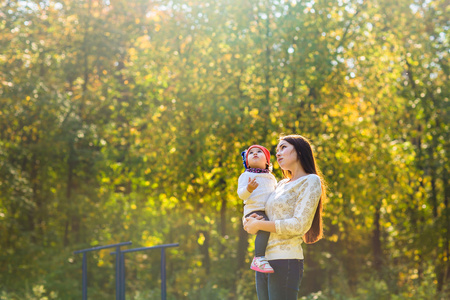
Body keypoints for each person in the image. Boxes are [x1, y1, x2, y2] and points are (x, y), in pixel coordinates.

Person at [243, 135, 326, 300]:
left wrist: (260, 226)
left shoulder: (310, 181)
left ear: (300, 151)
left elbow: (299, 225)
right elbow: (260, 210)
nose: (278, 153)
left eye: (283, 147)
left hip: (285, 261)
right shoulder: (280, 184)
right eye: (277, 150)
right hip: (262, 262)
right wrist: (248, 222)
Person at [238, 145, 277, 273]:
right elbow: (241, 195)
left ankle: (265, 255)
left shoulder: (271, 177)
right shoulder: (246, 175)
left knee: (268, 229)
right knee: (265, 229)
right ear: (247, 162)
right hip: (254, 210)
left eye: (259, 152)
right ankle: (259, 257)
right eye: (251, 153)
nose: (255, 153)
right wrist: (248, 188)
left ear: (267, 162)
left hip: (268, 210)